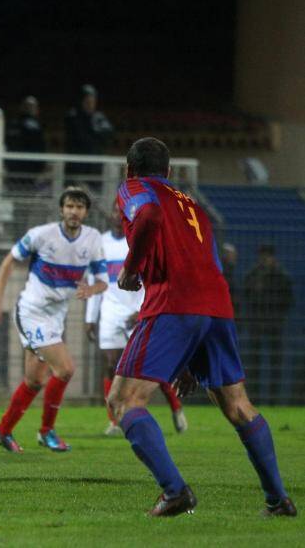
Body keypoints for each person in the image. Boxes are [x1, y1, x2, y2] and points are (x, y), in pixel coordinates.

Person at [107, 137, 296, 517]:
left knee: (123, 401)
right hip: (217, 306)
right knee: (238, 406)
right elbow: (210, 262)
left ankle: (175, 491)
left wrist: (130, 268)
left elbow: (148, 217)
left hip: (173, 303)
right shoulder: (195, 206)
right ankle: (278, 501)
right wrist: (195, 354)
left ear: (129, 169)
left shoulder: (134, 188)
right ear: (170, 172)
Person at [0, 187, 108, 453]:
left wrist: (92, 290)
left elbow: (102, 281)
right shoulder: (41, 235)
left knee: (35, 380)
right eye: (69, 206)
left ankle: (3, 431)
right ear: (61, 210)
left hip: (56, 316)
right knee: (65, 370)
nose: (74, 212)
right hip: (31, 311)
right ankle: (46, 431)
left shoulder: (93, 239)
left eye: (79, 207)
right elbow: (8, 262)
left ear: (86, 212)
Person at [86, 202, 187, 436]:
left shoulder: (142, 241)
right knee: (110, 365)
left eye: (122, 213)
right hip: (110, 311)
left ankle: (175, 407)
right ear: (110, 214)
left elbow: (156, 280)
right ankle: (114, 421)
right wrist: (91, 317)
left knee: (149, 367)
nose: (117, 216)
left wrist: (143, 309)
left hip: (140, 311)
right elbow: (96, 280)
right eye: (114, 211)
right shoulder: (100, 243)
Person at [242, 244, 293, 402]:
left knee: (274, 363)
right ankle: (254, 397)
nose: (264, 259)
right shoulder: (254, 274)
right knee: (255, 362)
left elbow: (288, 299)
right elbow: (247, 295)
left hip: (274, 324)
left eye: (266, 256)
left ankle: (273, 398)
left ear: (272, 257)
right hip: (258, 323)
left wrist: (277, 315)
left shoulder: (280, 275)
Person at [64, 84, 113, 182]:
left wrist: (95, 131)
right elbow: (81, 137)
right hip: (76, 166)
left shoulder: (99, 116)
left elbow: (108, 132)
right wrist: (94, 131)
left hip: (94, 166)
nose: (90, 104)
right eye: (87, 101)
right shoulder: (72, 116)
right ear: (81, 101)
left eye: (92, 101)